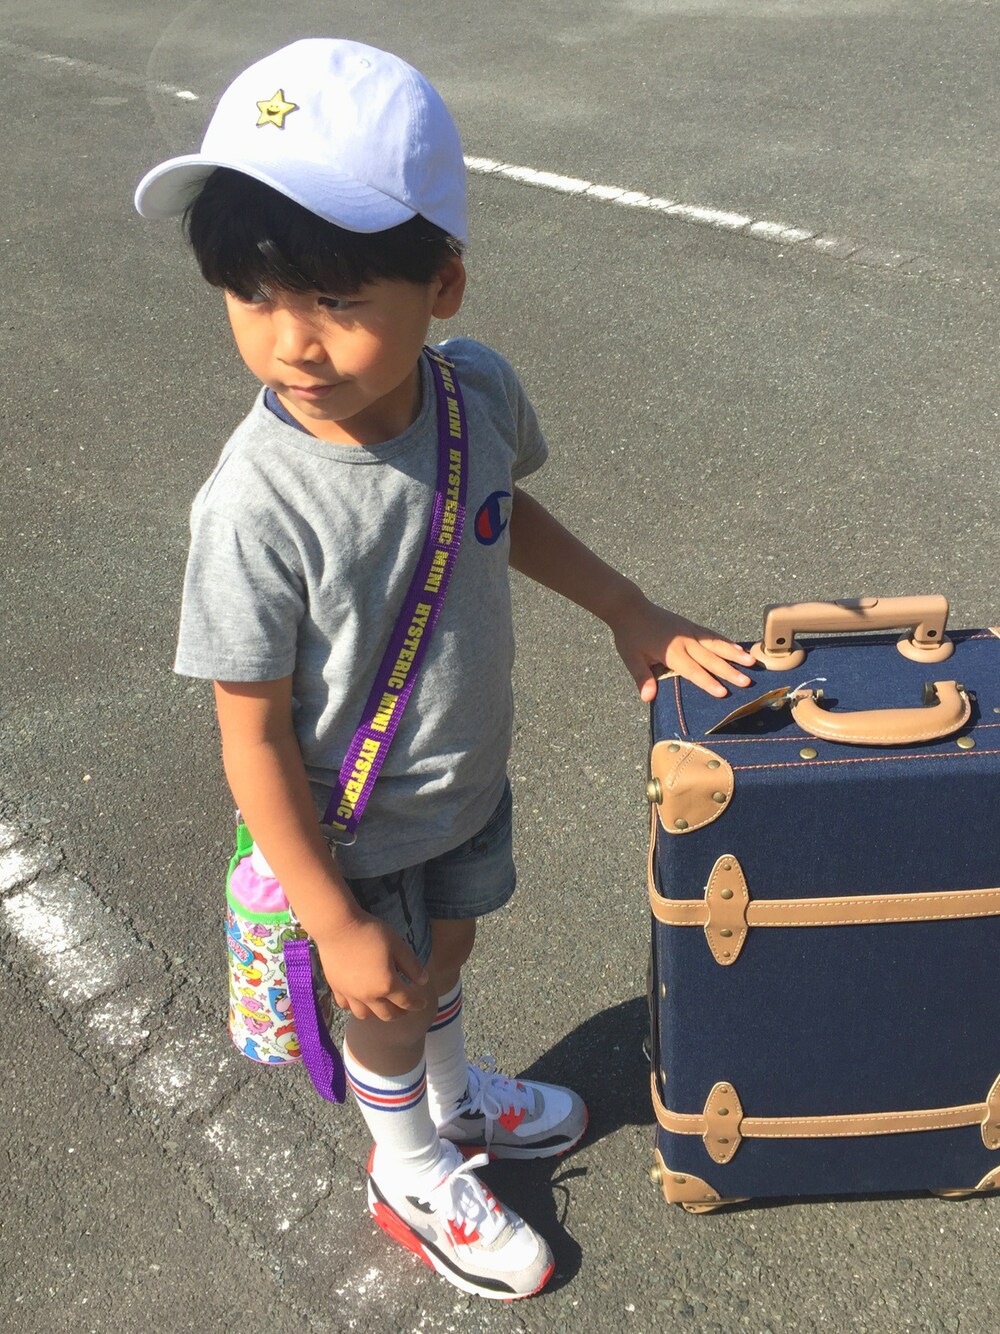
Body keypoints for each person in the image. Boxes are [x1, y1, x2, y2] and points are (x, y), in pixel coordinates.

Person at [134, 38, 755, 1301]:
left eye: (335, 300)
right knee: (386, 993)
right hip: (350, 829)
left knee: (449, 949)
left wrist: (625, 607)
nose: (292, 343)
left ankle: (454, 1093)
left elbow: (494, 510)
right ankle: (409, 1163)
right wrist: (328, 915)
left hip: (462, 776)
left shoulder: (473, 394)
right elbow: (249, 733)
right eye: (253, 295)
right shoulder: (254, 507)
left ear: (445, 285)